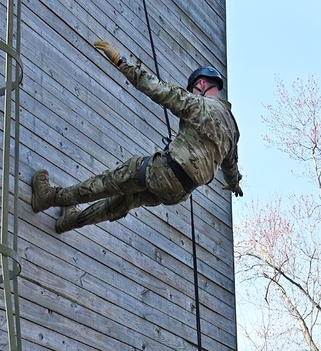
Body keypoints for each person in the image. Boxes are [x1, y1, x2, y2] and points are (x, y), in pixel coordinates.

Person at [31, 42, 243, 233]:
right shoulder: (232, 130)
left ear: (202, 84)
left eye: (193, 90)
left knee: (106, 183)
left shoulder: (200, 104)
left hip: (165, 171)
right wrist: (234, 185)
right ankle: (71, 221)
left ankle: (50, 197)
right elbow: (231, 167)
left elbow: (158, 89)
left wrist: (121, 62)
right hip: (179, 193)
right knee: (123, 202)